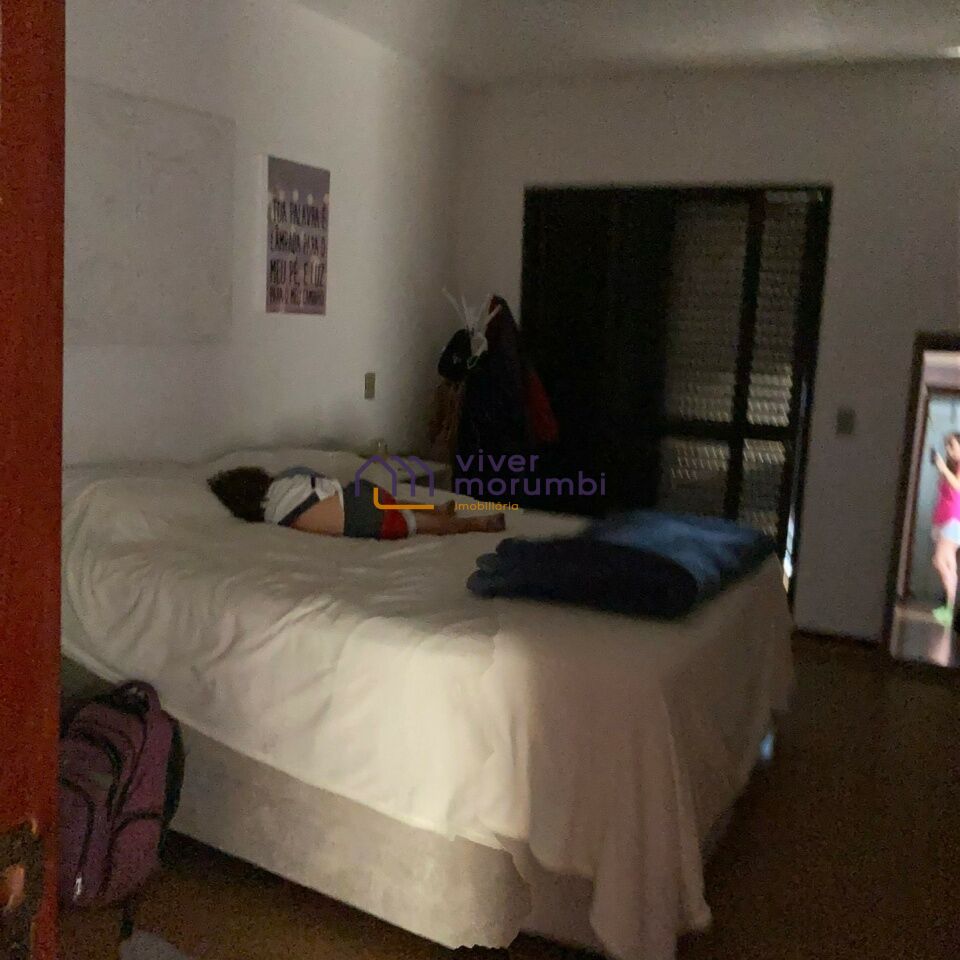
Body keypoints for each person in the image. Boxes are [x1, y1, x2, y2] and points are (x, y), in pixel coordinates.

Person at [207, 465, 504, 539]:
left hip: (358, 520)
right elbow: (319, 477)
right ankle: (444, 511)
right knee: (392, 501)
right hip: (356, 498)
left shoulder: (272, 517)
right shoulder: (287, 477)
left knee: (414, 523)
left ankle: (474, 522)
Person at [931, 433, 960, 625]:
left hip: (953, 520)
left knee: (940, 561)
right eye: (948, 447)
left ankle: (950, 608)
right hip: (944, 519)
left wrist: (943, 469)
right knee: (949, 563)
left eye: (953, 446)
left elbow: (958, 487)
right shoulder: (952, 467)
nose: (949, 451)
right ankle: (949, 608)